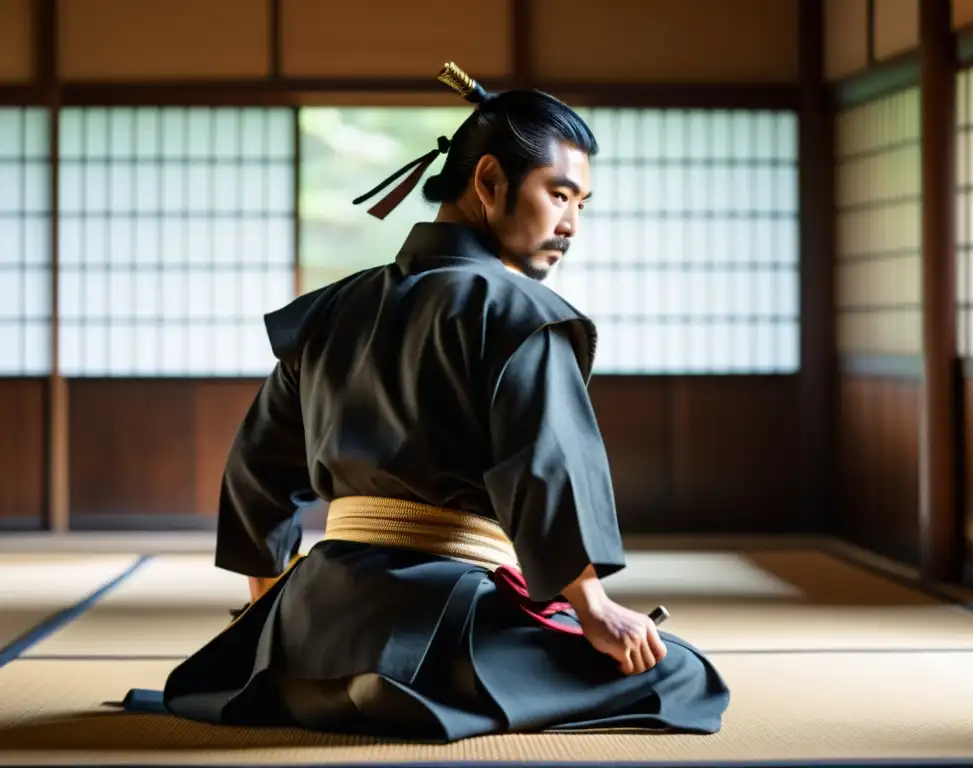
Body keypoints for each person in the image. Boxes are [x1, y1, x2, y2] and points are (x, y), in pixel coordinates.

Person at [121, 62, 730, 741]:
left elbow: (256, 471)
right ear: (490, 181)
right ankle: (409, 698)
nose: (571, 225)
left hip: (312, 632)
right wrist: (595, 608)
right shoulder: (521, 313)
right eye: (560, 196)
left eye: (581, 205)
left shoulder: (332, 308)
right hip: (442, 627)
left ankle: (312, 689)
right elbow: (544, 466)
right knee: (681, 674)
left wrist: (268, 622)